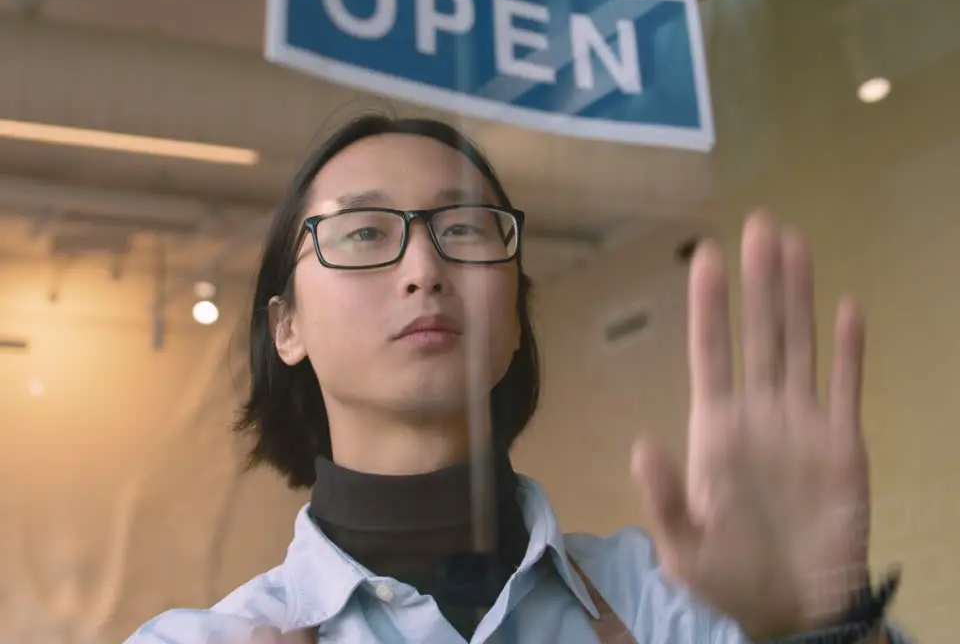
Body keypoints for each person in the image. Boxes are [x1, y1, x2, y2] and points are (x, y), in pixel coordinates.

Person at [126, 115, 910, 644]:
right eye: (363, 232)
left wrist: (828, 620)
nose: (424, 269)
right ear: (285, 327)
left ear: (514, 317)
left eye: (464, 228)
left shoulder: (668, 599)